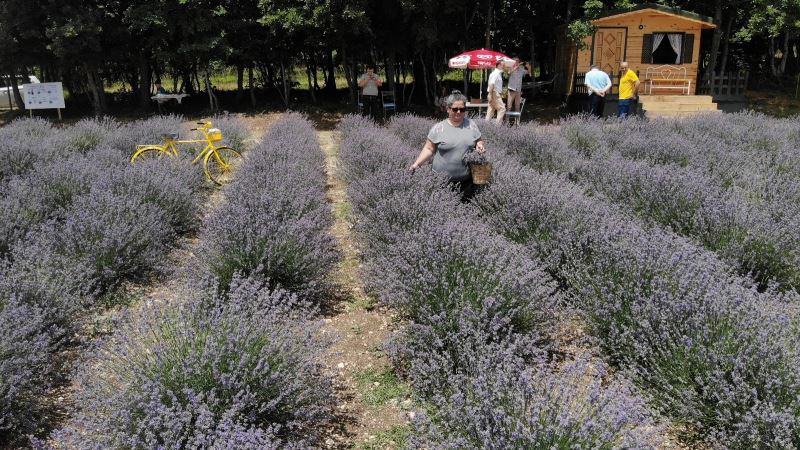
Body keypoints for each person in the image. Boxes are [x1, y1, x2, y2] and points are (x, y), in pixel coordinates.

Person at [409, 91, 486, 202]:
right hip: (442, 182)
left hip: (466, 182)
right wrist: (416, 164)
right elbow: (429, 148)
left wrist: (480, 145)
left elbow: (479, 140)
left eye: (462, 109)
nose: (458, 112)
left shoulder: (471, 125)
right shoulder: (438, 128)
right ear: (448, 109)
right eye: (455, 109)